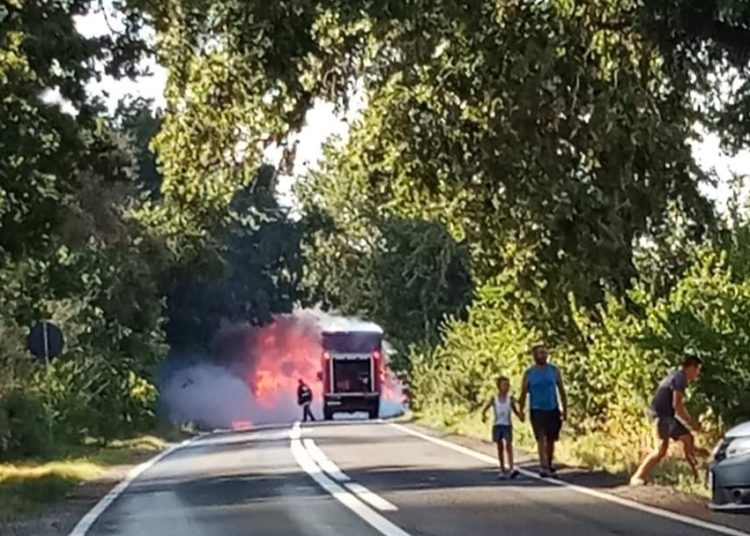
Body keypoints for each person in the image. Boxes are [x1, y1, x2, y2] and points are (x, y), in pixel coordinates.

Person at [630, 355, 704, 486]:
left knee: (688, 438)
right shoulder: (680, 378)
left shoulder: (676, 376)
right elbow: (677, 405)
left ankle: (697, 477)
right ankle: (637, 477)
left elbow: (676, 406)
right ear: (691, 367)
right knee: (660, 450)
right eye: (698, 370)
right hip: (661, 417)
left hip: (669, 417)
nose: (698, 374)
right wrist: (691, 422)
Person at [519, 343, 568, 477]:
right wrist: (521, 410)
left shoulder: (554, 370)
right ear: (534, 356)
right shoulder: (529, 374)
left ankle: (550, 462)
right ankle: (543, 465)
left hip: (552, 408)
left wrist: (565, 409)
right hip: (537, 409)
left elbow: (562, 390)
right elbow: (523, 393)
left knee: (551, 438)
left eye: (545, 352)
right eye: (540, 353)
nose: (543, 355)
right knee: (541, 437)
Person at [482, 375, 524, 479]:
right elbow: (485, 409)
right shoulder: (494, 398)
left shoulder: (510, 398)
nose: (507, 387)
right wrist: (484, 416)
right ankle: (502, 469)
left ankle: (511, 468)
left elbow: (516, 409)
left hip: (507, 425)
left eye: (508, 385)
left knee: (508, 445)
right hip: (497, 425)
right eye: (504, 385)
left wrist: (520, 415)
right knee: (500, 447)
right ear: (499, 386)